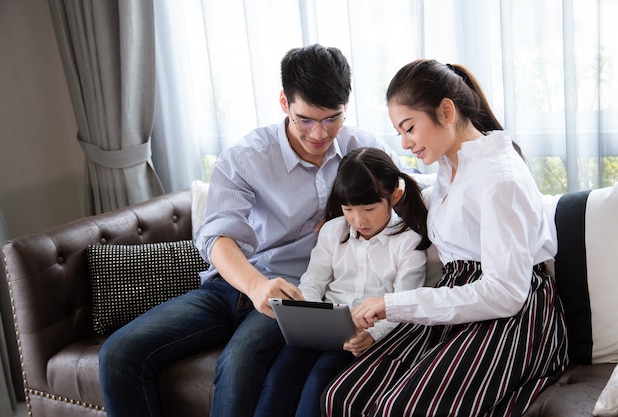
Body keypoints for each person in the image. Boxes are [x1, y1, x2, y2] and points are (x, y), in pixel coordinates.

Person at [98, 44, 423, 417]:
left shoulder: (362, 148)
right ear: (284, 102)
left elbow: (413, 190)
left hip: (296, 293)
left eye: (332, 119)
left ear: (345, 109)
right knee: (119, 353)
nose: (319, 133)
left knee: (239, 365)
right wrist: (253, 285)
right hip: (232, 285)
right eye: (305, 119)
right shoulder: (247, 156)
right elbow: (216, 234)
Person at [323, 59, 569, 417]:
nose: (406, 143)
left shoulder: (501, 178)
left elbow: (505, 294)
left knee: (400, 408)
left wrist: (394, 304)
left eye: (409, 128)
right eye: (399, 133)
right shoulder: (449, 163)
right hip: (458, 296)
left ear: (446, 111)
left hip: (511, 313)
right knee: (343, 395)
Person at [254, 147, 430, 417]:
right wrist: (308, 316)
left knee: (319, 380)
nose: (358, 220)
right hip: (321, 329)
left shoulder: (409, 244)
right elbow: (313, 282)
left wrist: (372, 335)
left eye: (369, 209)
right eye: (349, 209)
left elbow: (403, 305)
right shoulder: (332, 231)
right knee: (280, 375)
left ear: (394, 197)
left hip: (365, 335)